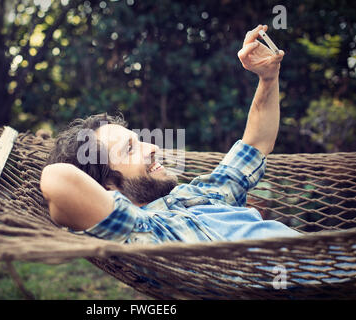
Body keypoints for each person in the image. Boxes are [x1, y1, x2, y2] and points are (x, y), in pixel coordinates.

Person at [40, 25, 301, 244]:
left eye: (139, 140)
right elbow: (57, 179)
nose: (151, 147)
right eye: (129, 149)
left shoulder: (199, 193)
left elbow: (256, 144)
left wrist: (268, 78)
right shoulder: (144, 231)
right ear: (109, 186)